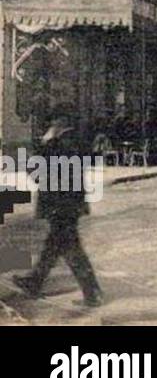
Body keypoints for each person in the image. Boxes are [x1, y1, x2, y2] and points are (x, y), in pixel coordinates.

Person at [14, 119, 102, 307]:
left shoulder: (58, 145)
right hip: (69, 203)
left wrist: (44, 143)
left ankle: (92, 292)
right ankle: (35, 281)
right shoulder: (75, 142)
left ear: (56, 126)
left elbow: (36, 170)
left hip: (60, 204)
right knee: (55, 245)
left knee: (69, 248)